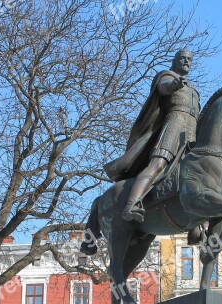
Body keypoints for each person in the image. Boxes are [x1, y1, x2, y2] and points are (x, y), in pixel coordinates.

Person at [80, 49, 200, 255]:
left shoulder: (194, 89)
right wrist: (173, 86)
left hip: (191, 132)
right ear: (175, 60)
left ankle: (198, 223)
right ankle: (131, 204)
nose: (187, 62)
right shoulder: (168, 76)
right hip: (173, 125)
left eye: (190, 59)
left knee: (197, 175)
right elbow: (161, 89)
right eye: (183, 58)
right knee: (158, 163)